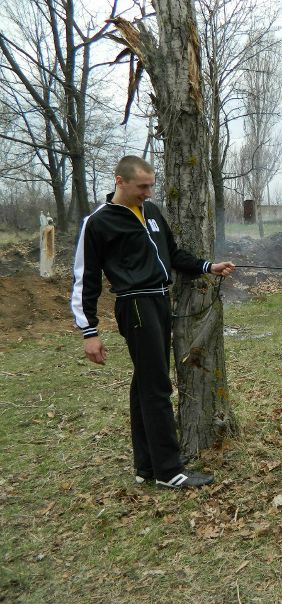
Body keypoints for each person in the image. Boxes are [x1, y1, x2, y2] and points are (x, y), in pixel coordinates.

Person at [71, 156, 236, 489]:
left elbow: (172, 255)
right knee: (157, 385)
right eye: (142, 186)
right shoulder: (98, 222)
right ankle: (168, 471)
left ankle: (147, 465)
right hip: (134, 305)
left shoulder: (152, 213)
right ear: (120, 182)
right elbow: (83, 279)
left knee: (145, 383)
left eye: (151, 185)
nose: (148, 192)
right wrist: (89, 332)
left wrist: (207, 266)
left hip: (161, 300)